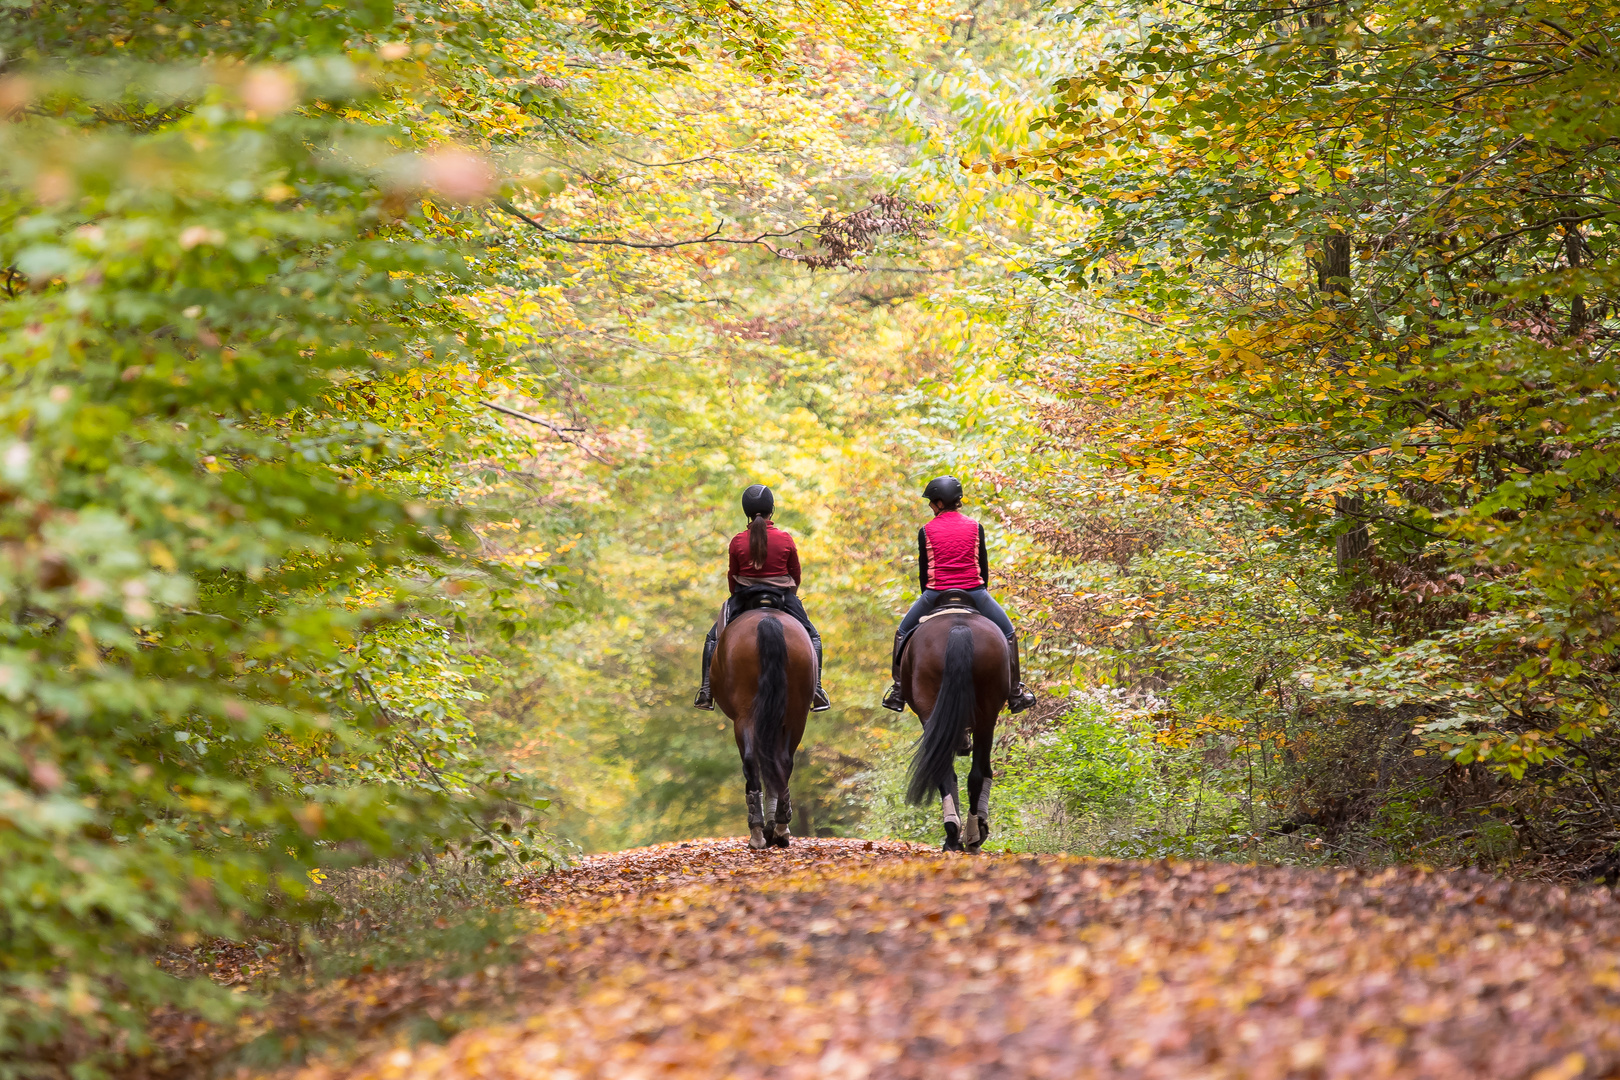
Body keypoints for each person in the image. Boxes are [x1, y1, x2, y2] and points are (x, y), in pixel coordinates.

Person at [881, 475, 1036, 714]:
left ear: (941, 503)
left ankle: (899, 690)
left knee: (902, 632)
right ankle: (1016, 693)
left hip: (935, 593)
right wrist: (979, 589)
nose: (931, 506)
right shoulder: (976, 526)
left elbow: (925, 571)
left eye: (932, 502)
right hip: (975, 592)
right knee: (1008, 633)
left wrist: (930, 596)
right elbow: (983, 568)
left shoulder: (926, 530)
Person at [694, 484, 831, 712]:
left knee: (712, 639)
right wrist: (791, 595)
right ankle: (816, 688)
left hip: (745, 596)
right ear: (772, 510)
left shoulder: (737, 541)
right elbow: (795, 574)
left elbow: (733, 576)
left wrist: (736, 595)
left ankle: (706, 691)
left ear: (746, 511)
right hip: (781, 596)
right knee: (813, 636)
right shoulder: (785, 539)